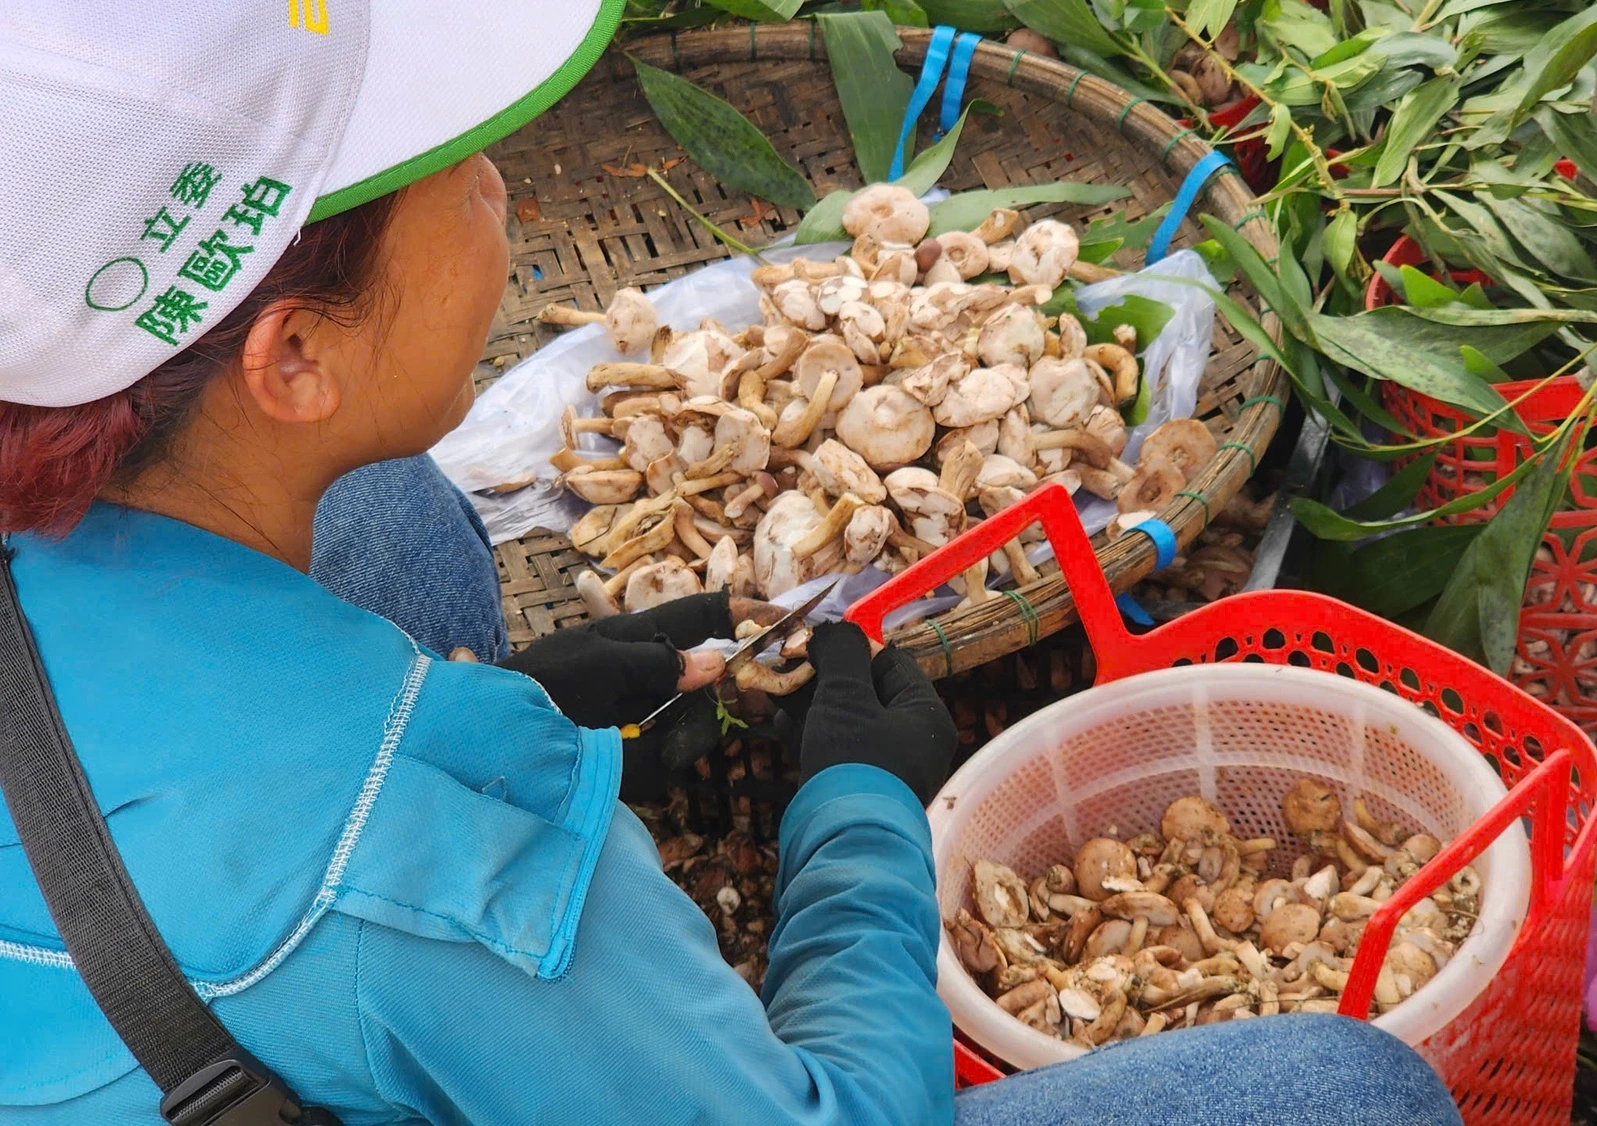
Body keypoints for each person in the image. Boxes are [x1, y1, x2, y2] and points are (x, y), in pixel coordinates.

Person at [0, 5, 1462, 1124]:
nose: (499, 187)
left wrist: (495, 702)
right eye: (446, 169)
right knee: (1350, 1094)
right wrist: (861, 811)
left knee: (389, 523)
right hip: (327, 909)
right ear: (294, 354)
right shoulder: (445, 882)